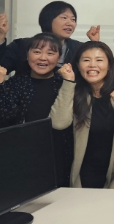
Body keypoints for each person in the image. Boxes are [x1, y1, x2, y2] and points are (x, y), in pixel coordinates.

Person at [49, 42, 114, 189]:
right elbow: (58, 123)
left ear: (109, 65)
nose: (92, 65)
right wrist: (68, 82)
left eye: (99, 60)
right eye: (86, 60)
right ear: (78, 65)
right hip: (85, 169)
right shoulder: (74, 90)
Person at [0, 33, 73, 186]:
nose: (43, 58)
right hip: (22, 157)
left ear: (59, 58)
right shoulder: (15, 83)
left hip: (58, 156)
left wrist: (69, 81)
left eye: (50, 53)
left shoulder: (65, 83)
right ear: (27, 55)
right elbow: (6, 116)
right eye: (37, 52)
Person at [0, 1, 99, 75]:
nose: (70, 23)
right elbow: (2, 67)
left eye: (73, 20)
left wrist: (95, 45)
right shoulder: (21, 45)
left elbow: (92, 75)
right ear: (48, 19)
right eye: (64, 18)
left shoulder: (79, 48)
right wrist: (1, 36)